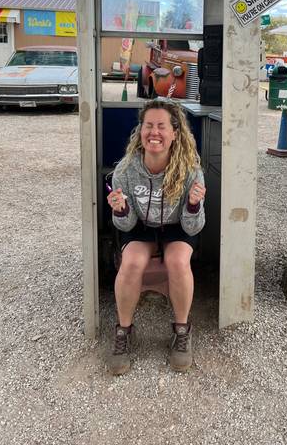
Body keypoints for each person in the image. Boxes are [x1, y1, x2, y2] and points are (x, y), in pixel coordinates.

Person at [106, 98, 206, 375]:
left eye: (161, 126)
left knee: (178, 262)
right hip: (141, 225)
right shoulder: (125, 170)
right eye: (148, 125)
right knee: (132, 263)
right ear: (140, 131)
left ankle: (182, 330)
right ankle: (124, 331)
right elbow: (125, 226)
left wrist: (193, 205)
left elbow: (193, 227)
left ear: (175, 132)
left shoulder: (190, 171)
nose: (154, 132)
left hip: (178, 226)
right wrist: (121, 208)